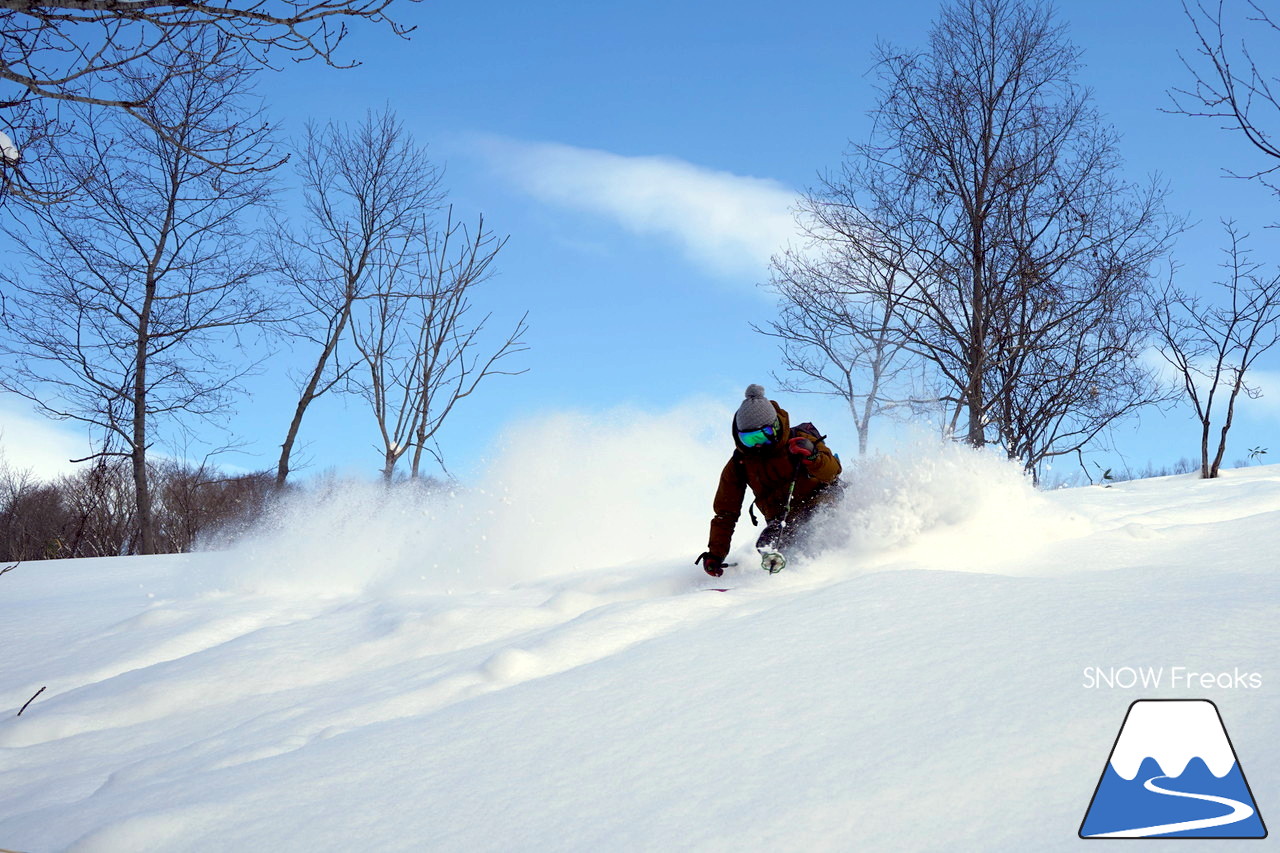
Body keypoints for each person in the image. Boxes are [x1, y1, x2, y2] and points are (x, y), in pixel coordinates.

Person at [696, 385, 842, 577]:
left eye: (760, 436)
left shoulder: (798, 441)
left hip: (823, 503)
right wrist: (716, 553)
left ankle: (831, 571)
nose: (756, 444)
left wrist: (813, 457)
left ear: (774, 428)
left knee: (814, 528)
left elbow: (833, 472)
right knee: (766, 545)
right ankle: (777, 583)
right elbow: (725, 512)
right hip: (783, 521)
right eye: (748, 439)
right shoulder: (740, 462)